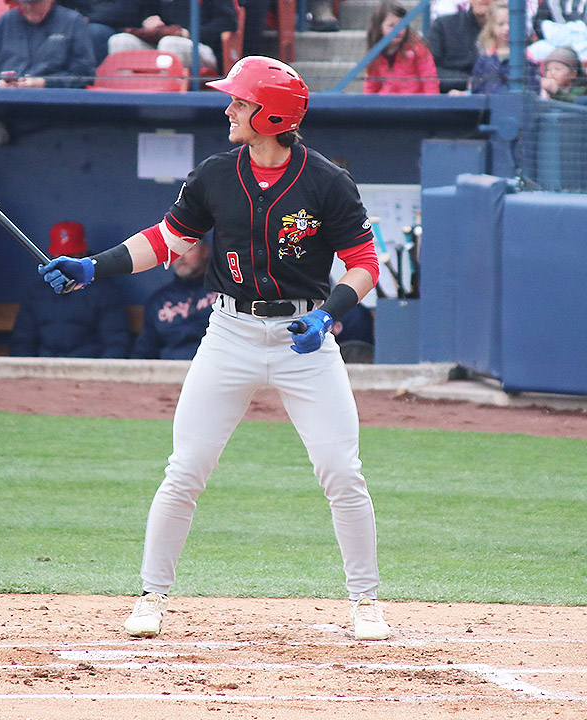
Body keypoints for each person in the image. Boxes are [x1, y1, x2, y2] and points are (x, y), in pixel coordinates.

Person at [39, 56, 390, 642]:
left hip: (306, 338)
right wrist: (92, 267)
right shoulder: (215, 173)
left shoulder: (329, 182)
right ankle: (151, 597)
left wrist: (329, 315)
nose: (229, 109)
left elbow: (363, 265)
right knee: (185, 470)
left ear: (272, 115)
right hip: (229, 334)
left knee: (341, 472)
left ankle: (366, 602)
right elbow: (167, 239)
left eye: (240, 102)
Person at [10, 221, 132, 357]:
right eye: (60, 257)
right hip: (45, 369)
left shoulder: (104, 292)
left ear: (83, 253)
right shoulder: (36, 294)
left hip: (87, 370)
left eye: (72, 257)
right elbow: (22, 343)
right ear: (51, 257)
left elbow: (116, 343)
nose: (65, 264)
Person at [0, 0, 97, 88]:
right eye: (25, 3)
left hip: (55, 107)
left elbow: (84, 74)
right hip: (5, 105)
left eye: (36, 3)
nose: (29, 8)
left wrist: (44, 83)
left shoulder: (72, 22)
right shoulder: (3, 23)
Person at [130, 241, 218, 359]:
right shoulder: (159, 301)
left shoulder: (223, 292)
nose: (181, 257)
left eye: (188, 249)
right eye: (175, 251)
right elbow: (144, 351)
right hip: (171, 371)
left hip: (216, 367)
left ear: (205, 251)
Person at [106, 0, 237, 74]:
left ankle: (166, 102)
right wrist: (148, 21)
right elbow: (139, 12)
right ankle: (128, 101)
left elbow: (228, 22)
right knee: (120, 41)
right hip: (157, 44)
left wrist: (190, 33)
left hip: (200, 48)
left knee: (171, 43)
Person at [363, 0, 440, 94]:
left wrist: (430, 105)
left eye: (402, 25)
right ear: (379, 27)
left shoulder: (417, 48)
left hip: (415, 103)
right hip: (387, 104)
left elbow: (429, 79)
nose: (399, 30)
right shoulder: (375, 53)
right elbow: (371, 86)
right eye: (391, 26)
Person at [467, 0, 540, 93]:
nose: (507, 28)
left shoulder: (527, 58)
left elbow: (533, 88)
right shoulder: (484, 59)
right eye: (501, 24)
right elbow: (477, 89)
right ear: (492, 27)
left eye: (511, 23)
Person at [427, 0, 492, 92]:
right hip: (451, 99)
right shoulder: (443, 26)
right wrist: (466, 81)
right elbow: (430, 70)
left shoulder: (513, 31)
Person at [58, 0, 144, 65]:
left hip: (111, 23)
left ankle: (90, 80)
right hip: (73, 20)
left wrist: (88, 19)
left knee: (95, 32)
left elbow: (127, 7)